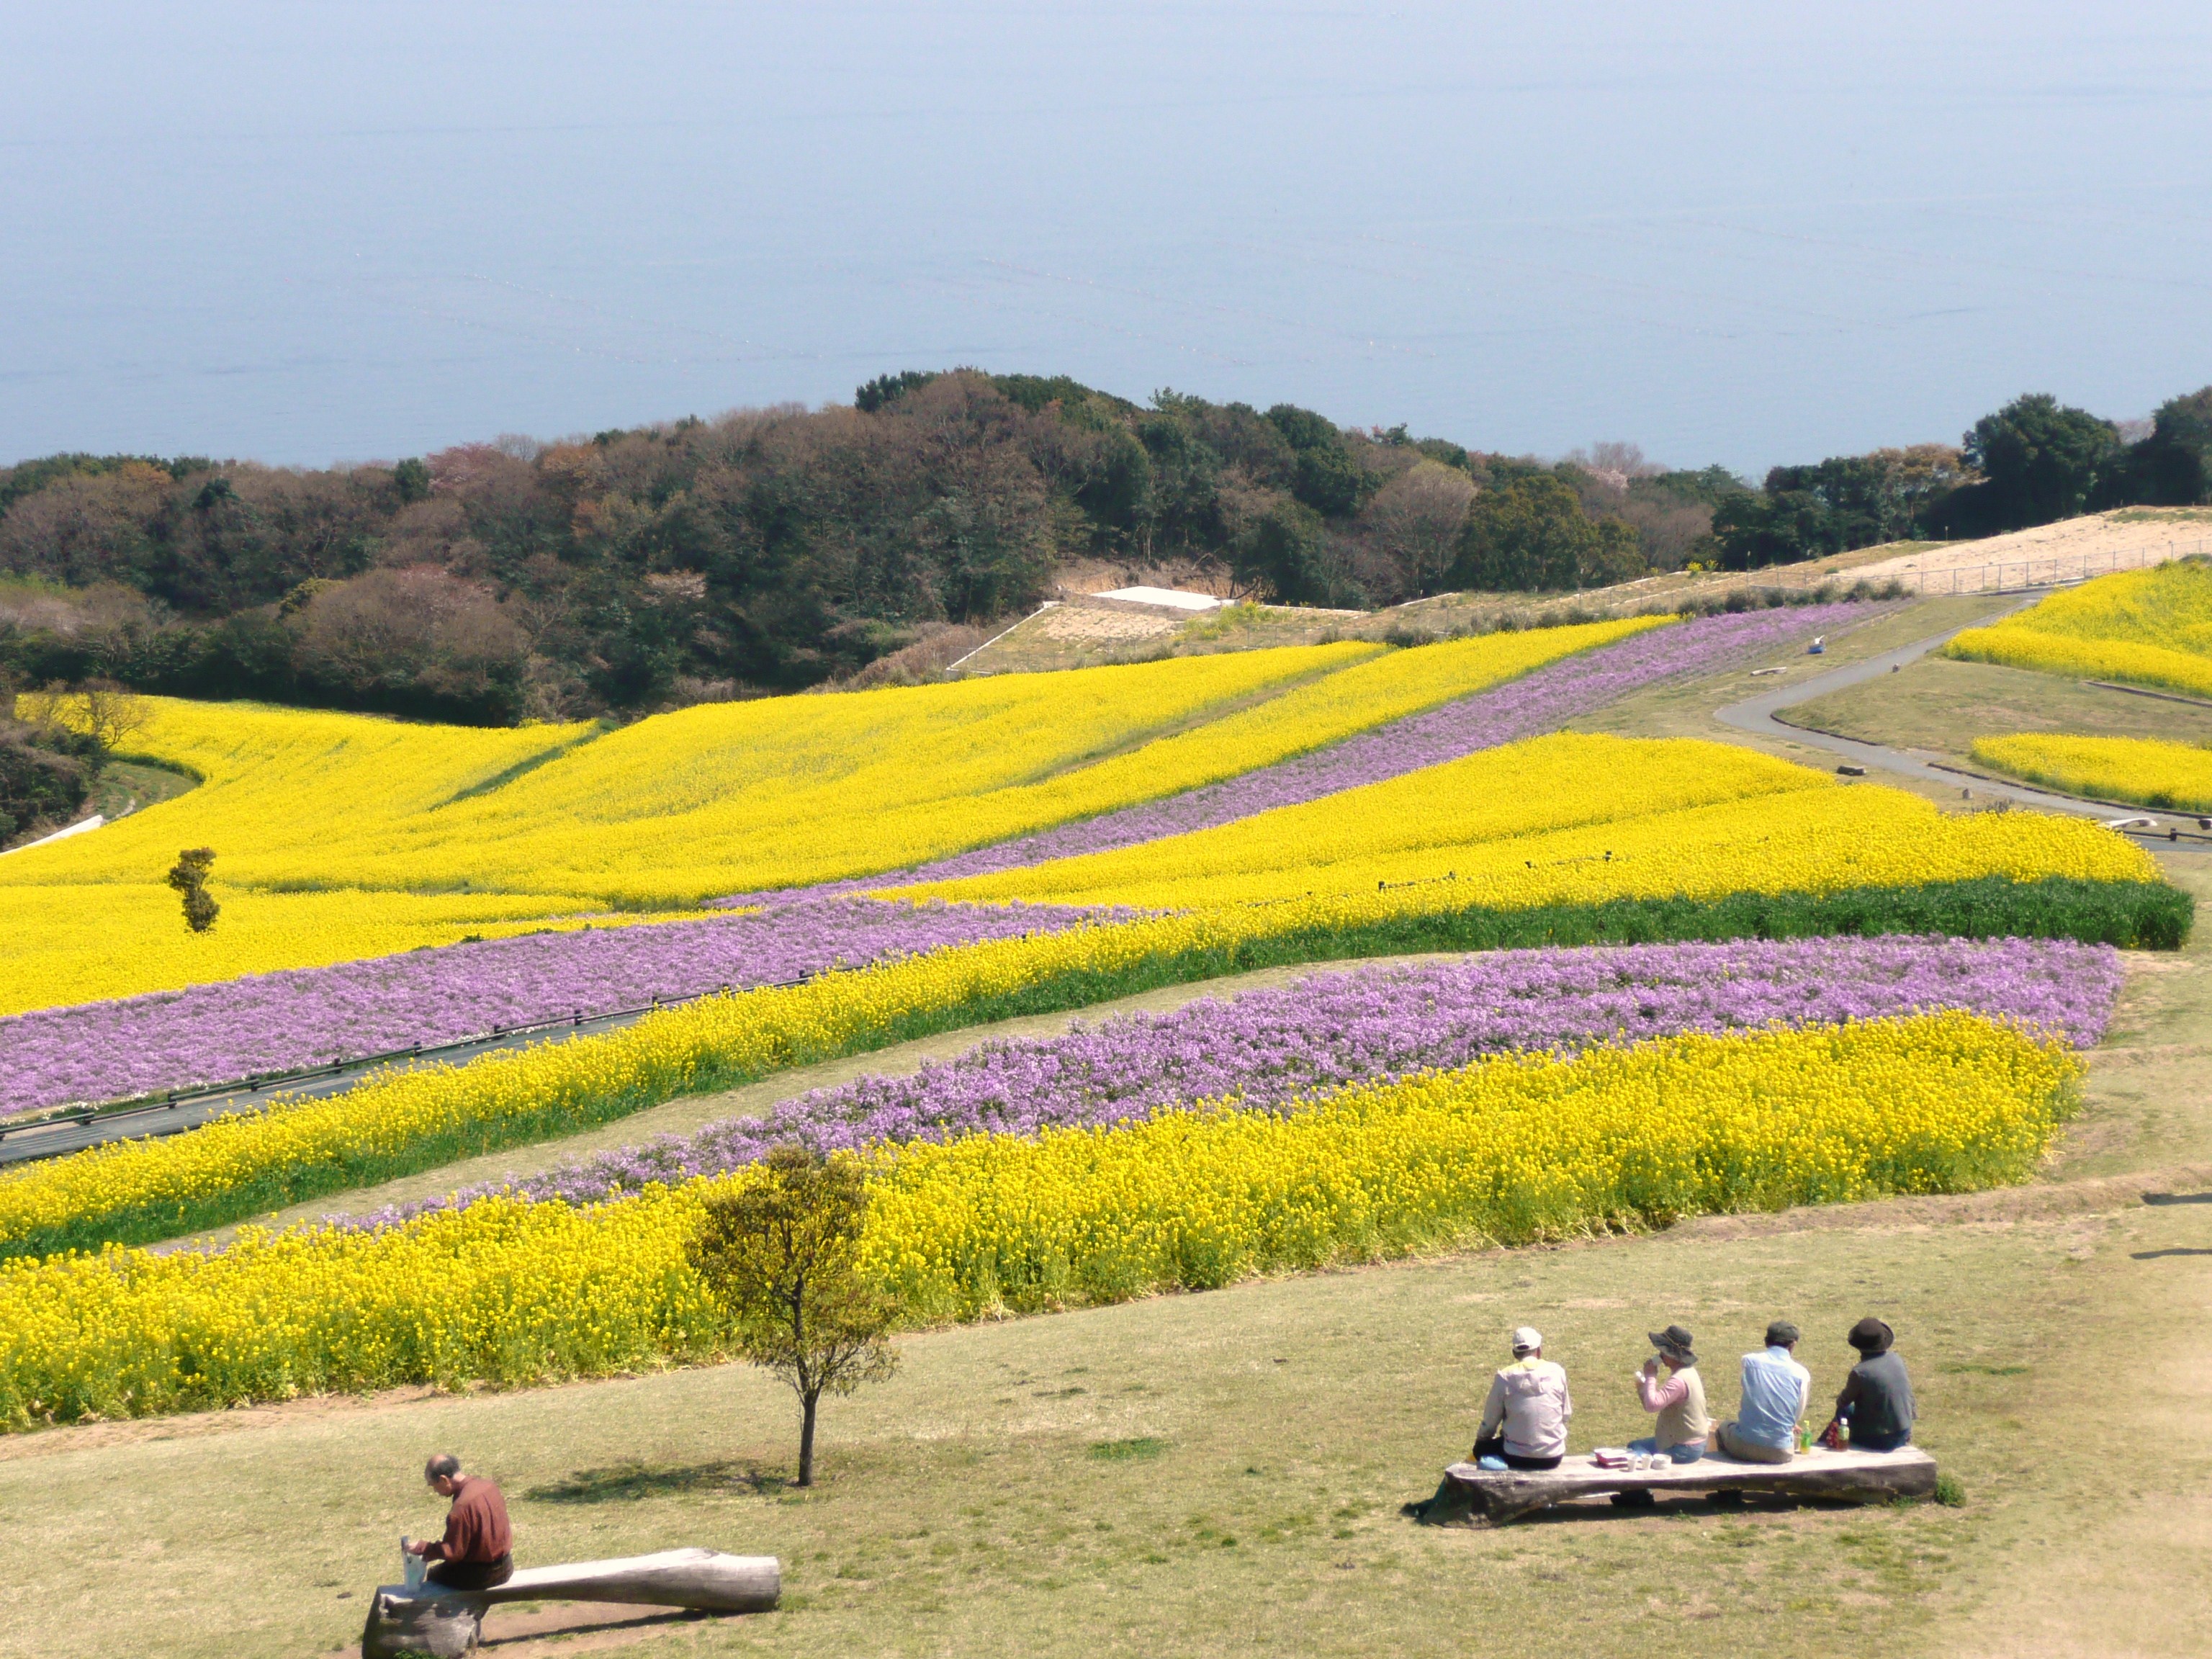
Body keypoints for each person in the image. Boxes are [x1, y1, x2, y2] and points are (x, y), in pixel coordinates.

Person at [404, 1455, 514, 1591]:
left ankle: (460, 1612)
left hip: (483, 1576)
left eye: (433, 1485)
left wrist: (424, 1548)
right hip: (507, 1566)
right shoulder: (489, 1486)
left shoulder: (461, 1507)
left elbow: (453, 1553)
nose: (435, 1491)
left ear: (444, 1479)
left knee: (434, 1575)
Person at [1473, 1326, 1572, 1471]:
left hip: (1515, 1456)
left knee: (1480, 1450)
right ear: (1539, 1350)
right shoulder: (1557, 1372)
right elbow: (1566, 1414)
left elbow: (1490, 1422)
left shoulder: (1505, 1377)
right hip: (1553, 1456)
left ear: (1515, 1353)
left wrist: (1482, 1441)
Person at [1714, 1321, 1812, 1464]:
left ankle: (1730, 1483)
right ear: (1793, 1345)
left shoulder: (1748, 1361)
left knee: (1723, 1427)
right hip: (1781, 1452)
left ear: (1766, 1342)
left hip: (1743, 1446)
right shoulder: (1802, 1374)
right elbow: (1797, 1411)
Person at [1829, 1317, 1916, 1452]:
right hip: (1904, 1431)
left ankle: (1826, 1443)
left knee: (1844, 1411)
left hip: (1878, 1439)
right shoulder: (1896, 1359)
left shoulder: (1860, 1372)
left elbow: (1843, 1402)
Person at [1629, 1323, 1710, 1464]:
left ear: (1673, 1355)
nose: (1660, 1355)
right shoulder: (1689, 1372)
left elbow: (1652, 1406)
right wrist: (1644, 1388)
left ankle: (1642, 1484)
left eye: (1663, 1352)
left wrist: (1651, 1376)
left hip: (1683, 1448)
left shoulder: (1678, 1381)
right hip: (1694, 1444)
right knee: (1635, 1446)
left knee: (1638, 1454)